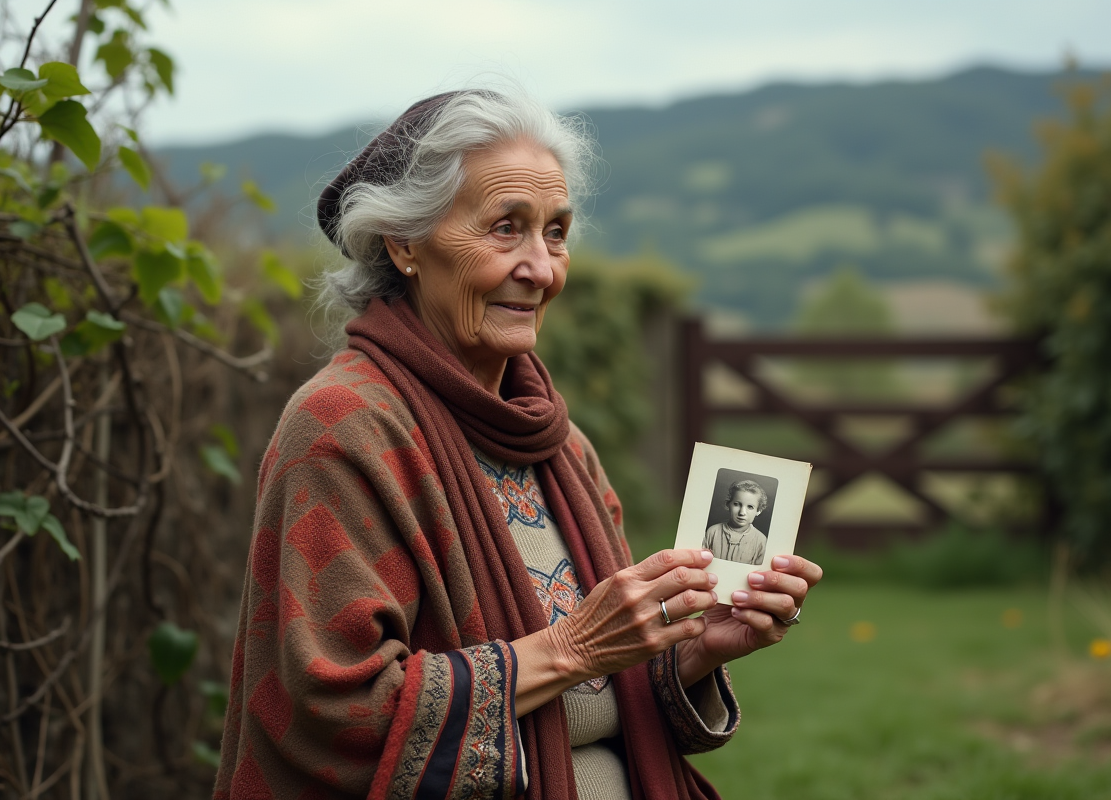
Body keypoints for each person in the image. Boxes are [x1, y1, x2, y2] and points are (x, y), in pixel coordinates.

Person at [214, 89, 822, 800]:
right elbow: (336, 713)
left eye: (556, 232)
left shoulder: (561, 445)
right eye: (506, 228)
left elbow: (595, 700)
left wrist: (693, 652)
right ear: (404, 243)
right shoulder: (342, 429)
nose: (541, 268)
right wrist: (571, 649)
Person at [702, 480, 770, 565]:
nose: (742, 512)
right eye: (737, 504)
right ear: (728, 504)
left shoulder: (761, 541)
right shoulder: (712, 532)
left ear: (758, 511)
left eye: (750, 507)